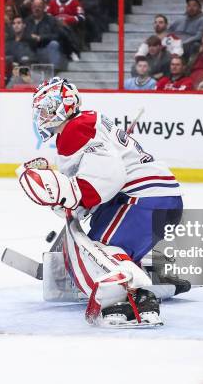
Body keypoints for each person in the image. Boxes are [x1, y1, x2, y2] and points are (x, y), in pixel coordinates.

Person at [19, 77, 184, 327]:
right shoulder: (85, 123)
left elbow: (108, 177)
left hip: (142, 199)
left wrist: (67, 194)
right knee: (112, 250)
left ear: (62, 105)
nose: (41, 115)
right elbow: (95, 185)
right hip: (158, 198)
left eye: (45, 108)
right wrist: (70, 198)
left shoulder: (75, 129)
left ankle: (131, 298)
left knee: (99, 252)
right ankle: (152, 285)